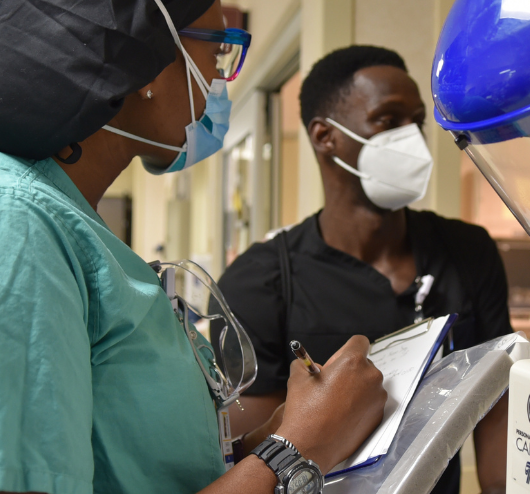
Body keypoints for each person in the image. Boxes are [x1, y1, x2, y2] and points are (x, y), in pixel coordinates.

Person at [0, 1, 388, 494]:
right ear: (150, 62)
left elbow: (135, 468)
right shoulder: (1, 223)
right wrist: (297, 447)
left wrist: (269, 440)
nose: (218, 82)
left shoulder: (58, 219)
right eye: (218, 52)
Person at [212, 45, 510, 494]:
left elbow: (497, 412)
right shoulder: (261, 281)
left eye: (417, 121)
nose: (413, 139)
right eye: (389, 120)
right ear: (324, 136)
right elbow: (258, 465)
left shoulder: (467, 252)